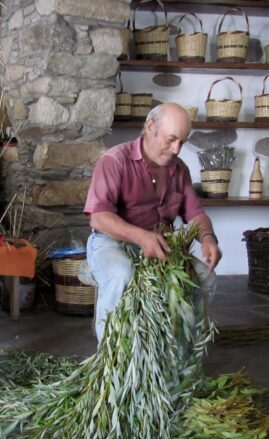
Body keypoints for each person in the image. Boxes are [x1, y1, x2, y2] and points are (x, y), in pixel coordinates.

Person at [83, 102, 221, 344]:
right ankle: (111, 356)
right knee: (121, 274)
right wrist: (141, 236)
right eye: (171, 139)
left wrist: (208, 237)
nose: (177, 149)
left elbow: (195, 212)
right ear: (150, 127)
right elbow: (99, 216)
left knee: (205, 278)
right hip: (111, 243)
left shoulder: (179, 170)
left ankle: (181, 353)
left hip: (160, 246)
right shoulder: (115, 161)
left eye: (183, 142)